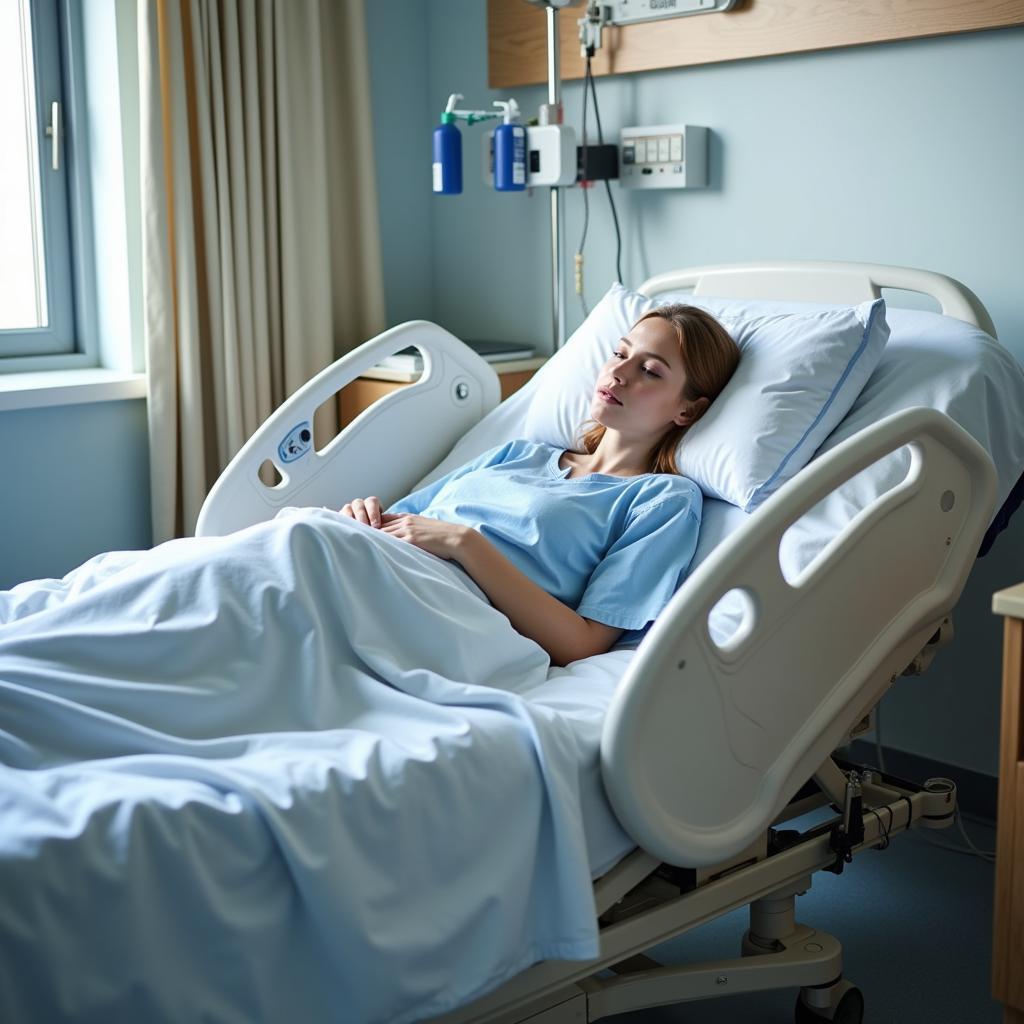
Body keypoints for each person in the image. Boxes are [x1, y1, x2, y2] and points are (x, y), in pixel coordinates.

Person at [339, 305, 740, 667]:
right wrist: (360, 517)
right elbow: (403, 521)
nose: (618, 373)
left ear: (688, 409)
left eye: (649, 371)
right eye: (619, 354)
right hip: (377, 565)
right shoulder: (519, 453)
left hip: (441, 608)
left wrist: (466, 543)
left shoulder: (661, 498)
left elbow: (583, 644)